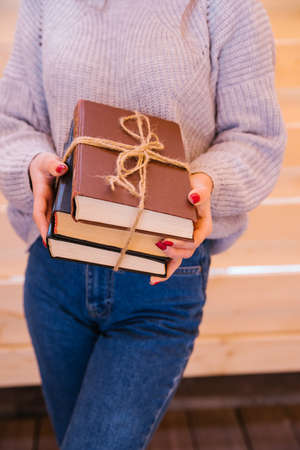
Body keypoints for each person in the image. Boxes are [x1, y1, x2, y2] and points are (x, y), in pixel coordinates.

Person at [0, 0, 286, 448]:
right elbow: (12, 123)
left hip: (160, 283)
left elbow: (256, 137)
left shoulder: (227, 7)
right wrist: (30, 163)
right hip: (54, 273)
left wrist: (206, 183)